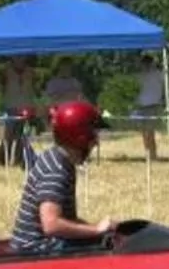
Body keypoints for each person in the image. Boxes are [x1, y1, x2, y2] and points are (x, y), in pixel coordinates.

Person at [10, 100, 115, 255]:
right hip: (37, 250)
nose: (96, 142)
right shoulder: (56, 170)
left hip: (41, 245)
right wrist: (96, 230)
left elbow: (65, 220)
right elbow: (51, 224)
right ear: (80, 137)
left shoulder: (58, 160)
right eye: (93, 135)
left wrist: (96, 230)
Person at [0, 56, 38, 169]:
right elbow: (1, 86)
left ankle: (19, 160)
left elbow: (34, 87)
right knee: (8, 135)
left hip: (26, 106)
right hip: (11, 106)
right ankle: (3, 160)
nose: (20, 59)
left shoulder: (30, 71)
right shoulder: (6, 70)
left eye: (22, 57)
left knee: (22, 136)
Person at [134, 51, 166, 159]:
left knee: (150, 131)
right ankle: (148, 153)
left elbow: (165, 80)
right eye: (143, 63)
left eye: (147, 63)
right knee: (144, 132)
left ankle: (153, 154)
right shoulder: (139, 76)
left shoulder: (158, 74)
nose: (144, 65)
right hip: (141, 106)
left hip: (153, 105)